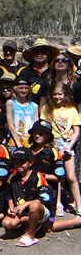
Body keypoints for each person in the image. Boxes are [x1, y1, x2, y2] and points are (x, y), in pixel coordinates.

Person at [40, 82, 81, 216]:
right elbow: (44, 127)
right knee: (57, 175)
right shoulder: (47, 109)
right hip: (52, 144)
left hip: (66, 145)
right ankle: (57, 203)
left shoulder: (71, 110)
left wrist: (70, 145)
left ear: (65, 95)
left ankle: (79, 205)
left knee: (71, 176)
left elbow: (76, 130)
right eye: (55, 94)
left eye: (60, 94)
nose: (57, 97)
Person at [1, 147, 55, 247]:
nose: (18, 165)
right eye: (16, 162)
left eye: (22, 162)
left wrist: (26, 204)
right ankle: (33, 224)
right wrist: (11, 207)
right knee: (7, 223)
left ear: (30, 163)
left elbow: (45, 198)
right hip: (23, 212)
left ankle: (30, 235)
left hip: (41, 211)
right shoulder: (12, 177)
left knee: (35, 207)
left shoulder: (37, 176)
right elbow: (8, 195)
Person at [18, 38, 59, 104]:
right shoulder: (24, 72)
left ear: (48, 54)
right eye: (36, 51)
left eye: (43, 51)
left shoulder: (55, 71)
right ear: (32, 54)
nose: (39, 53)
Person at [5, 77, 38, 149]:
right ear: (16, 89)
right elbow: (10, 125)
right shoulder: (10, 103)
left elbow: (36, 125)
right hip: (15, 140)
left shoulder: (34, 105)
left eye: (26, 88)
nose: (23, 90)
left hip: (29, 140)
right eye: (20, 88)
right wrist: (18, 144)